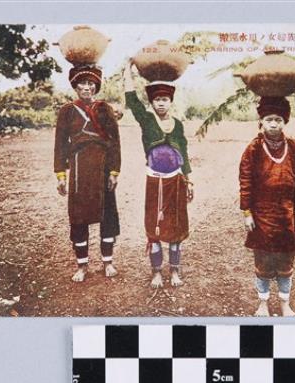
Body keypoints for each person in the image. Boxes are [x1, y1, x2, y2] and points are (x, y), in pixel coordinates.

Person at [239, 96, 295, 316]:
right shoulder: (253, 148)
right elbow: (245, 181)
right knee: (263, 262)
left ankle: (284, 304)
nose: (273, 124)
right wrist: (247, 212)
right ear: (261, 121)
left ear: (285, 121)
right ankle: (262, 304)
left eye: (278, 120)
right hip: (261, 216)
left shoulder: (293, 146)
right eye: (269, 119)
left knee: (285, 262)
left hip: (286, 215)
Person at [123, 62, 193, 288]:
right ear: (152, 103)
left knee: (176, 226)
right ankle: (156, 272)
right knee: (153, 226)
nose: (161, 103)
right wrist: (127, 71)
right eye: (157, 100)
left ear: (170, 102)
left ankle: (174, 270)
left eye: (165, 99)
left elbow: (184, 151)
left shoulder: (178, 125)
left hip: (176, 181)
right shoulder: (147, 120)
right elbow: (132, 99)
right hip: (155, 181)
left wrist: (189, 179)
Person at [54, 65, 121, 282]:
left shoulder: (104, 109)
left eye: (90, 83)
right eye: (82, 83)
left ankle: (107, 262)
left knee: (107, 215)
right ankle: (82, 266)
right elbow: (60, 145)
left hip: (103, 167)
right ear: (75, 86)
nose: (86, 87)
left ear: (96, 87)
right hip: (79, 169)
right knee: (79, 217)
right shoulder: (67, 111)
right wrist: (61, 175)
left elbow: (114, 142)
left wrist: (114, 171)